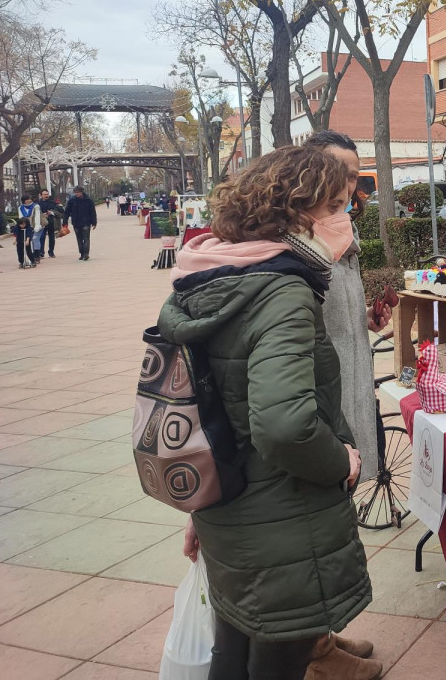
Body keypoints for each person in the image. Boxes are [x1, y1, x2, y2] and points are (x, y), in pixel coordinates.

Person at [161, 146, 373, 680]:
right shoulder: (281, 292)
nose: (348, 219)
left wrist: (200, 513)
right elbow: (283, 426)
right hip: (284, 524)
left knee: (232, 654)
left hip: (230, 510)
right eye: (340, 206)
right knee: (275, 662)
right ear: (302, 214)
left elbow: (212, 407)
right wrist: (341, 464)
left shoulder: (212, 277)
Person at [301, 131, 388, 680]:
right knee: (316, 533)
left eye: (355, 176)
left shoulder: (342, 231)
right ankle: (313, 654)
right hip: (317, 411)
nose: (349, 187)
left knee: (336, 528)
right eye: (338, 174)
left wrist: (367, 321)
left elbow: (338, 315)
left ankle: (322, 635)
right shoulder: (297, 243)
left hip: (351, 394)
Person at [62, 186, 99, 261]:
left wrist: (94, 222)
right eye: (75, 193)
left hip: (86, 222)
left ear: (82, 192)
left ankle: (86, 254)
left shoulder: (89, 200)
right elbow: (67, 212)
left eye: (78, 192)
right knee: (79, 239)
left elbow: (93, 212)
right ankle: (82, 253)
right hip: (76, 222)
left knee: (86, 238)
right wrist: (65, 222)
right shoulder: (72, 201)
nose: (76, 194)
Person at [18, 194, 44, 265]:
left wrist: (37, 227)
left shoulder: (36, 206)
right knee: (27, 241)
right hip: (28, 227)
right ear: (25, 201)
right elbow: (21, 218)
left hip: (38, 226)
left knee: (35, 239)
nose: (30, 200)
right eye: (28, 199)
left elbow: (37, 217)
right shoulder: (21, 208)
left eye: (30, 199)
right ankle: (29, 257)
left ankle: (37, 255)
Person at [37, 191, 62, 258]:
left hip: (51, 222)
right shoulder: (38, 204)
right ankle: (41, 252)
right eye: (44, 194)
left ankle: (51, 252)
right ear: (41, 195)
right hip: (42, 223)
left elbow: (59, 212)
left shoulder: (53, 203)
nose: (46, 195)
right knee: (42, 238)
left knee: (51, 238)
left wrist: (51, 212)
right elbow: (36, 214)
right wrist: (42, 215)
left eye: (47, 194)